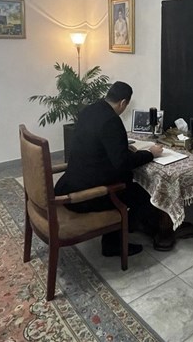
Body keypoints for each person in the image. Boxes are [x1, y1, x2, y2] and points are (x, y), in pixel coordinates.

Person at [54, 81, 163, 257]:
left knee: (129, 185)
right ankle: (115, 243)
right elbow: (122, 164)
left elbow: (98, 145)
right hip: (86, 196)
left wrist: (123, 148)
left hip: (69, 183)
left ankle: (124, 229)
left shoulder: (90, 110)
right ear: (123, 103)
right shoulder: (112, 120)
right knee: (143, 193)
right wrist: (150, 154)